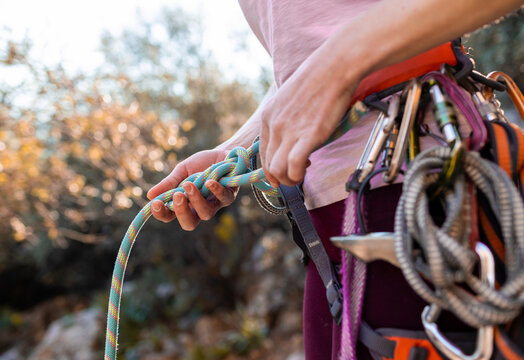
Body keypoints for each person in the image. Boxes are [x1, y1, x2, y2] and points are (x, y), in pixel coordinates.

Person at [147, 1, 523, 359]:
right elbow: (305, 62)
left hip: (417, 190)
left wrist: (339, 64)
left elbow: (330, 59)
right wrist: (234, 152)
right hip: (324, 224)